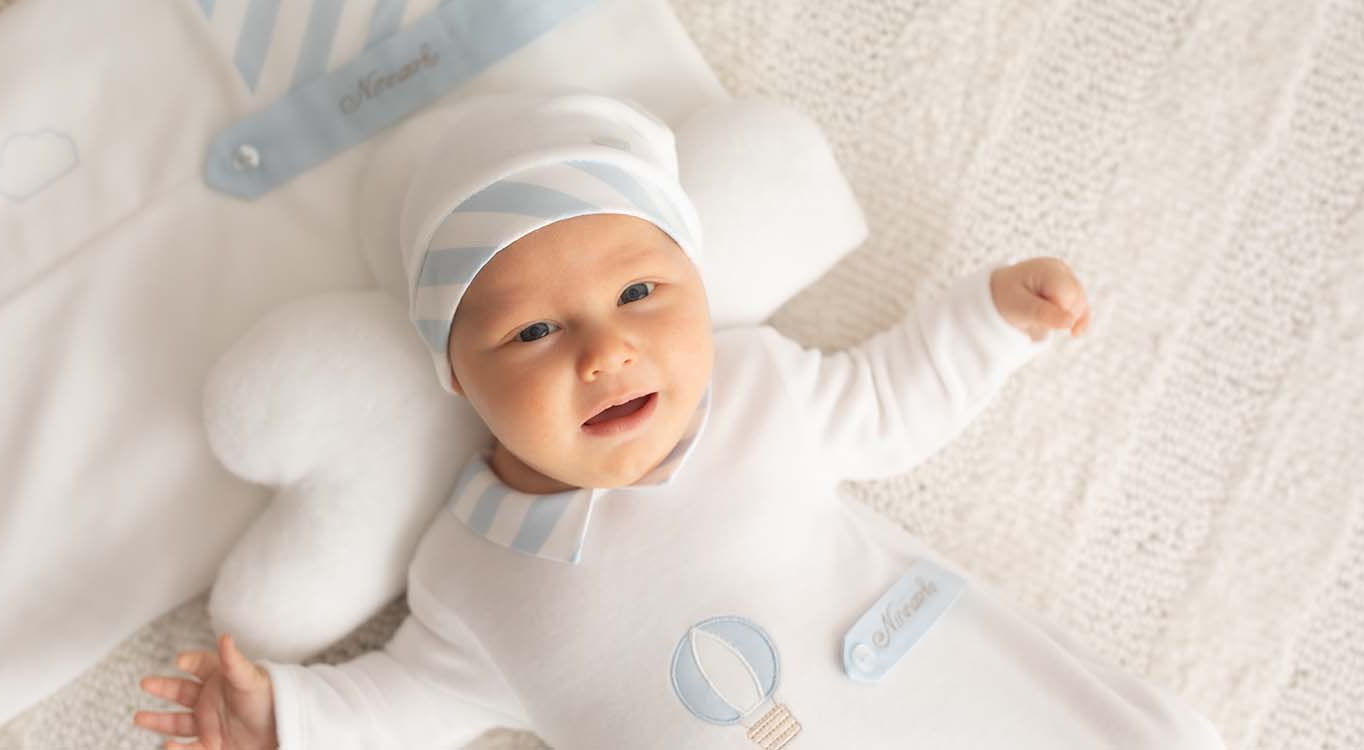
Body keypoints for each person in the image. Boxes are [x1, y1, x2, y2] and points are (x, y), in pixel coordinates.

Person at [134, 92, 1225, 750]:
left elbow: (892, 401)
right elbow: (406, 705)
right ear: (456, 377)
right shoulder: (467, 574)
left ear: (697, 291)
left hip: (946, 707)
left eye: (640, 295)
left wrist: (990, 323)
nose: (604, 353)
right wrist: (289, 721)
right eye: (531, 333)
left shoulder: (757, 395)